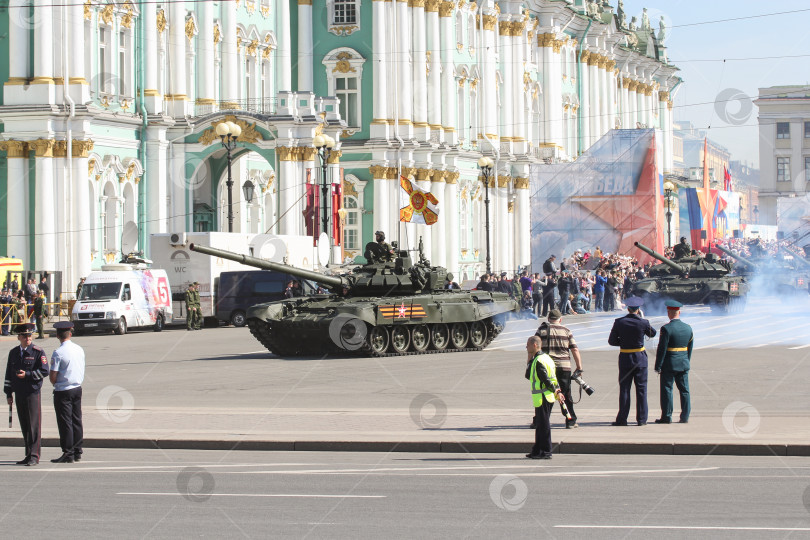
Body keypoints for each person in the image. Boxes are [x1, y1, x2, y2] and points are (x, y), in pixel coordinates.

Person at [608, 296, 657, 426]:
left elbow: (611, 341)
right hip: (640, 358)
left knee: (624, 389)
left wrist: (623, 343)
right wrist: (643, 319)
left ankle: (622, 419)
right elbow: (653, 333)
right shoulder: (643, 322)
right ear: (638, 309)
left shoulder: (619, 322)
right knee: (641, 390)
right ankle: (641, 419)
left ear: (628, 309)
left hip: (625, 358)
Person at [4, 323, 48, 466]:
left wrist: (28, 374)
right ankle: (28, 453)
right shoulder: (14, 353)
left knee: (33, 425)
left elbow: (44, 371)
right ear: (19, 337)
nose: (28, 338)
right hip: (19, 392)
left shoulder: (37, 351)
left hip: (32, 392)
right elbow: (9, 374)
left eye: (30, 335)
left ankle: (35, 455)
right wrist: (8, 393)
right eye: (25, 336)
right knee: (24, 424)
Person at [534, 309, 583, 429]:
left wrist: (530, 363)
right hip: (564, 367)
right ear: (560, 319)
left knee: (546, 394)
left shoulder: (542, 330)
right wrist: (579, 367)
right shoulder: (566, 331)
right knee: (565, 394)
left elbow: (534, 346)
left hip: (546, 367)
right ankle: (570, 420)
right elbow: (574, 349)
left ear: (548, 318)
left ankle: (541, 421)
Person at [49, 321, 85, 463]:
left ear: (58, 335)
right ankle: (77, 451)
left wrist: (55, 382)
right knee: (77, 420)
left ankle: (68, 452)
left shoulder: (58, 352)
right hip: (77, 388)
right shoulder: (79, 349)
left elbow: (53, 376)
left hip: (63, 390)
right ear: (70, 333)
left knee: (65, 422)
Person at [525, 336, 565, 460]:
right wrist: (557, 391)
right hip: (547, 396)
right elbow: (553, 377)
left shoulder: (538, 361)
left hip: (543, 396)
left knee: (544, 425)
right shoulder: (546, 358)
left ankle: (546, 451)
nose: (526, 347)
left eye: (528, 345)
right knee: (540, 424)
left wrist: (556, 391)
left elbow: (545, 379)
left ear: (535, 345)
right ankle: (537, 450)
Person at [654, 300, 693, 424]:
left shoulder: (666, 329)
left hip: (669, 364)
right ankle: (685, 416)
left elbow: (662, 349)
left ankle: (666, 416)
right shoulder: (688, 328)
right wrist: (686, 360)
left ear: (669, 313)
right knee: (685, 390)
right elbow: (689, 348)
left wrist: (658, 366)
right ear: (679, 312)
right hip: (683, 363)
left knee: (667, 390)